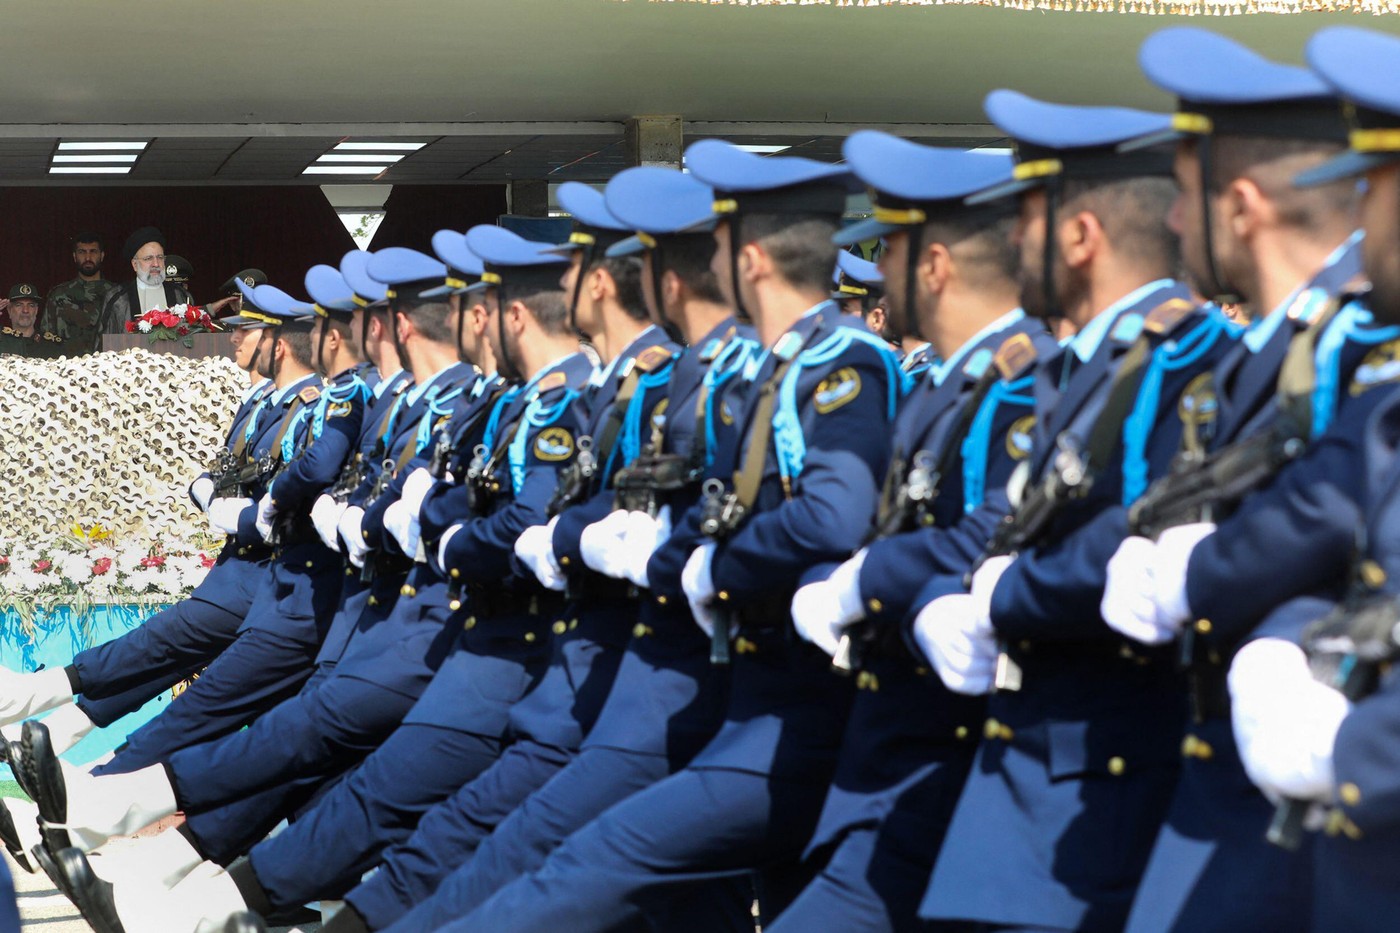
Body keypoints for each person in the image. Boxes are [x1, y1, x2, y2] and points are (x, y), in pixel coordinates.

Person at [439, 139, 905, 933]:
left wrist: (696, 561)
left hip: (794, 695)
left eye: (718, 241)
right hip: (739, 683)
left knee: (590, 862)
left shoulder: (837, 360)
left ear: (749, 258)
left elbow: (829, 515)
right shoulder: (765, 365)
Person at [913, 89, 1235, 933]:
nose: (1012, 239)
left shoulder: (1186, 359)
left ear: (1081, 235)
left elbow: (1138, 535)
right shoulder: (1079, 364)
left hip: (1102, 768)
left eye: (1027, 214)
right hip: (1037, 760)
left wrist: (997, 596)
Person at [1088, 28, 1381, 933]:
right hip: (1235, 755)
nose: (1173, 223)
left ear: (1242, 203)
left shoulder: (1356, 342)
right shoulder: (1267, 354)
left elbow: (1349, 520)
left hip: (1323, 760)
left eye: (1183, 197)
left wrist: (1202, 575)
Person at [772, 134, 1056, 933]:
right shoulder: (950, 380)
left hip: (956, 746)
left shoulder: (1021, 380)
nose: (876, 269)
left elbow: (995, 529)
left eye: (889, 247)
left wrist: (875, 578)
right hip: (899, 741)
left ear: (932, 265)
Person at [96, 226, 192, 336]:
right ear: (135, 265)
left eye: (160, 257)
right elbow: (105, 343)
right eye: (148, 258)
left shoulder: (180, 295)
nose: (156, 264)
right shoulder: (118, 298)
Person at [43, 233, 117, 355]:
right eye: (82, 252)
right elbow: (46, 338)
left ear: (102, 255)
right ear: (74, 256)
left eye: (93, 251)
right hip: (66, 368)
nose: (88, 257)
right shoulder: (58, 295)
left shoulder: (116, 295)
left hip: (107, 368)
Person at [0, 284, 64, 358]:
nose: (25, 310)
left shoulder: (52, 345)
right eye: (19, 305)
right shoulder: (2, 341)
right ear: (9, 310)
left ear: (36, 310)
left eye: (31, 305)